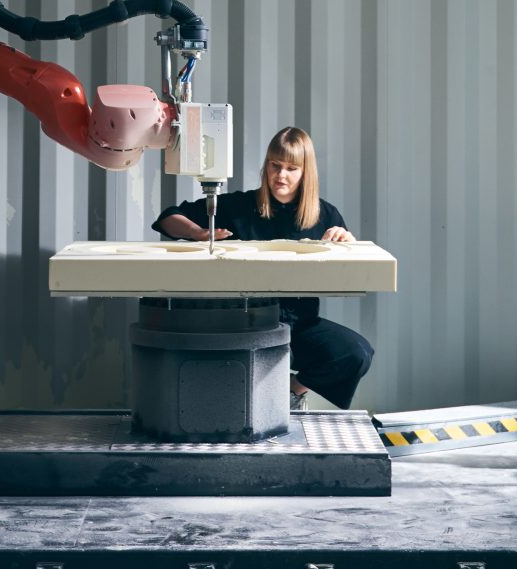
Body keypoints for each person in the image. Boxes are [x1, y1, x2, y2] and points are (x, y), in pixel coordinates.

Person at [153, 125, 375, 411]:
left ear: (305, 172)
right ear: (266, 165)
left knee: (356, 353)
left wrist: (346, 241)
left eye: (291, 168)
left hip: (299, 325)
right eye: (275, 165)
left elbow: (351, 263)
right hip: (243, 323)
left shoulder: (325, 215)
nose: (281, 175)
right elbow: (169, 217)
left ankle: (291, 394)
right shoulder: (238, 206)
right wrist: (197, 232)